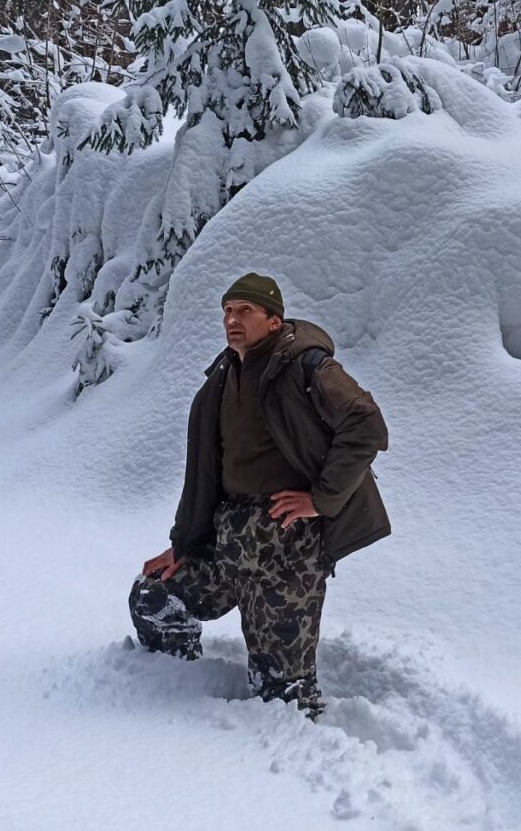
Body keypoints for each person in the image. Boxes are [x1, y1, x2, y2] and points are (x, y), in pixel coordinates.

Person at [129, 272, 390, 718]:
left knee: (282, 696)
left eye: (245, 310)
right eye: (227, 310)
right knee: (155, 598)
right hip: (229, 542)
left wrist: (321, 499)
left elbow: (366, 425)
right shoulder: (222, 378)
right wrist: (184, 544)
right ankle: (176, 694)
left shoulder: (306, 367)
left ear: (274, 320)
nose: (233, 318)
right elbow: (205, 475)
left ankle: (290, 765)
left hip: (286, 552)